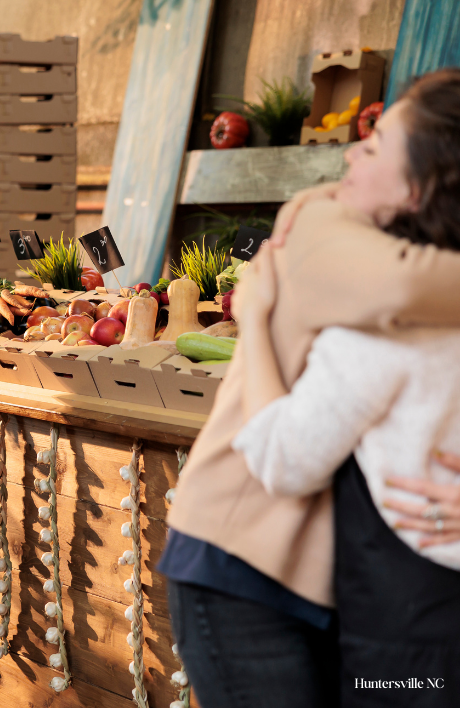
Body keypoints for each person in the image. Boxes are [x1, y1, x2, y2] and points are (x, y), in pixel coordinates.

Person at [160, 70, 460, 708]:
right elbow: (402, 289)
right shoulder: (323, 224)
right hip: (247, 547)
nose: (350, 153)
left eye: (375, 144)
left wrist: (260, 324)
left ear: (421, 183)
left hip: (359, 578)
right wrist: (260, 325)